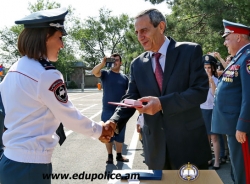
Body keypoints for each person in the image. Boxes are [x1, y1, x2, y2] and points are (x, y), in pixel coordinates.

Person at [0, 8, 114, 184]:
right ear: (46, 36)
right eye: (59, 38)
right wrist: (100, 131)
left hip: (10, 162)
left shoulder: (14, 69)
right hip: (31, 167)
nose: (62, 45)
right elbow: (69, 116)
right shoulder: (46, 74)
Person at [102, 8, 212, 170]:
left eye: (144, 30)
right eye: (137, 32)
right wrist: (114, 121)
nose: (140, 37)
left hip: (189, 146)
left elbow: (200, 92)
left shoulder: (190, 51)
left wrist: (161, 103)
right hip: (155, 150)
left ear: (161, 27)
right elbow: (131, 97)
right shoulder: (137, 64)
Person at [212, 19, 250, 184]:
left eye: (227, 38)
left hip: (240, 129)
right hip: (232, 126)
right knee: (236, 167)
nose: (225, 42)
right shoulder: (238, 58)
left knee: (244, 170)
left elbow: (248, 95)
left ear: (239, 37)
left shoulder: (247, 58)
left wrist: (242, 125)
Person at [92, 53, 129, 164]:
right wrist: (103, 63)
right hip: (108, 110)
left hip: (121, 111)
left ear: (120, 62)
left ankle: (119, 155)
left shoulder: (125, 78)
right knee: (107, 134)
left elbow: (129, 93)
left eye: (116, 60)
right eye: (112, 60)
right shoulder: (105, 74)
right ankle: (109, 156)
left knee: (120, 134)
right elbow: (94, 72)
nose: (114, 62)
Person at [200, 54, 220, 170]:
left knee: (214, 137)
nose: (207, 70)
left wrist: (211, 80)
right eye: (205, 67)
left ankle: (217, 160)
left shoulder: (216, 80)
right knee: (206, 137)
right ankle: (208, 158)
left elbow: (214, 94)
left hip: (212, 110)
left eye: (209, 67)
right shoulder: (199, 80)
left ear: (212, 68)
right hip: (202, 109)